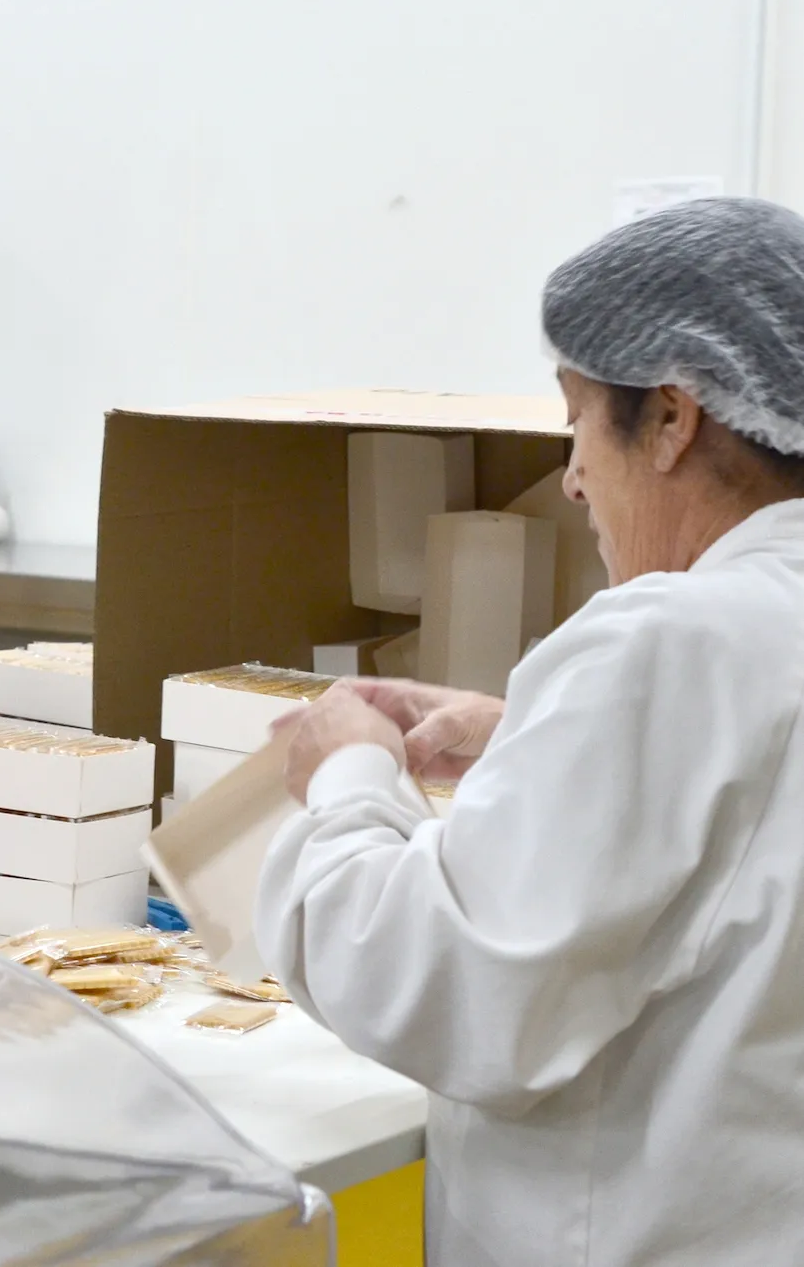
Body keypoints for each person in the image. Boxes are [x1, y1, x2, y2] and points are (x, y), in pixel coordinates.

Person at [256, 197, 804, 1266]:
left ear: (672, 418)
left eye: (576, 422)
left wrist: (350, 776)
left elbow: (444, 983)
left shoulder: (666, 641)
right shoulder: (746, 636)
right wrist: (525, 737)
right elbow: (753, 833)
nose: (571, 478)